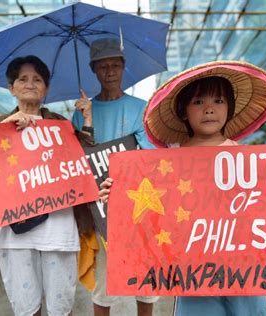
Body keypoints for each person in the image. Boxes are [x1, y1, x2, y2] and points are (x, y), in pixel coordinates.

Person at [99, 61, 266, 316]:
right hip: (193, 271)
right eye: (199, 102)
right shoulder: (169, 161)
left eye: (218, 101)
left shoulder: (246, 157)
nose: (209, 109)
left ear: (230, 108)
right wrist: (115, 195)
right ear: (183, 110)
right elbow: (150, 213)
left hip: (243, 266)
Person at [0, 55, 94, 316]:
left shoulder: (62, 125)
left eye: (37, 79)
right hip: (14, 234)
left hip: (58, 229)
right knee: (26, 308)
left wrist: (87, 121)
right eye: (22, 79)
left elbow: (85, 166)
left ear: (46, 88)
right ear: (11, 88)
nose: (30, 84)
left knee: (62, 307)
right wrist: (6, 129)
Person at [72, 37, 158, 316]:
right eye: (103, 66)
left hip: (138, 201)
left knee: (145, 276)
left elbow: (149, 155)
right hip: (99, 207)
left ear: (123, 67)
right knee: (105, 279)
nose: (109, 71)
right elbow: (78, 157)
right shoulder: (81, 112)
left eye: (115, 65)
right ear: (93, 70)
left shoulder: (142, 108)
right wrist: (86, 120)